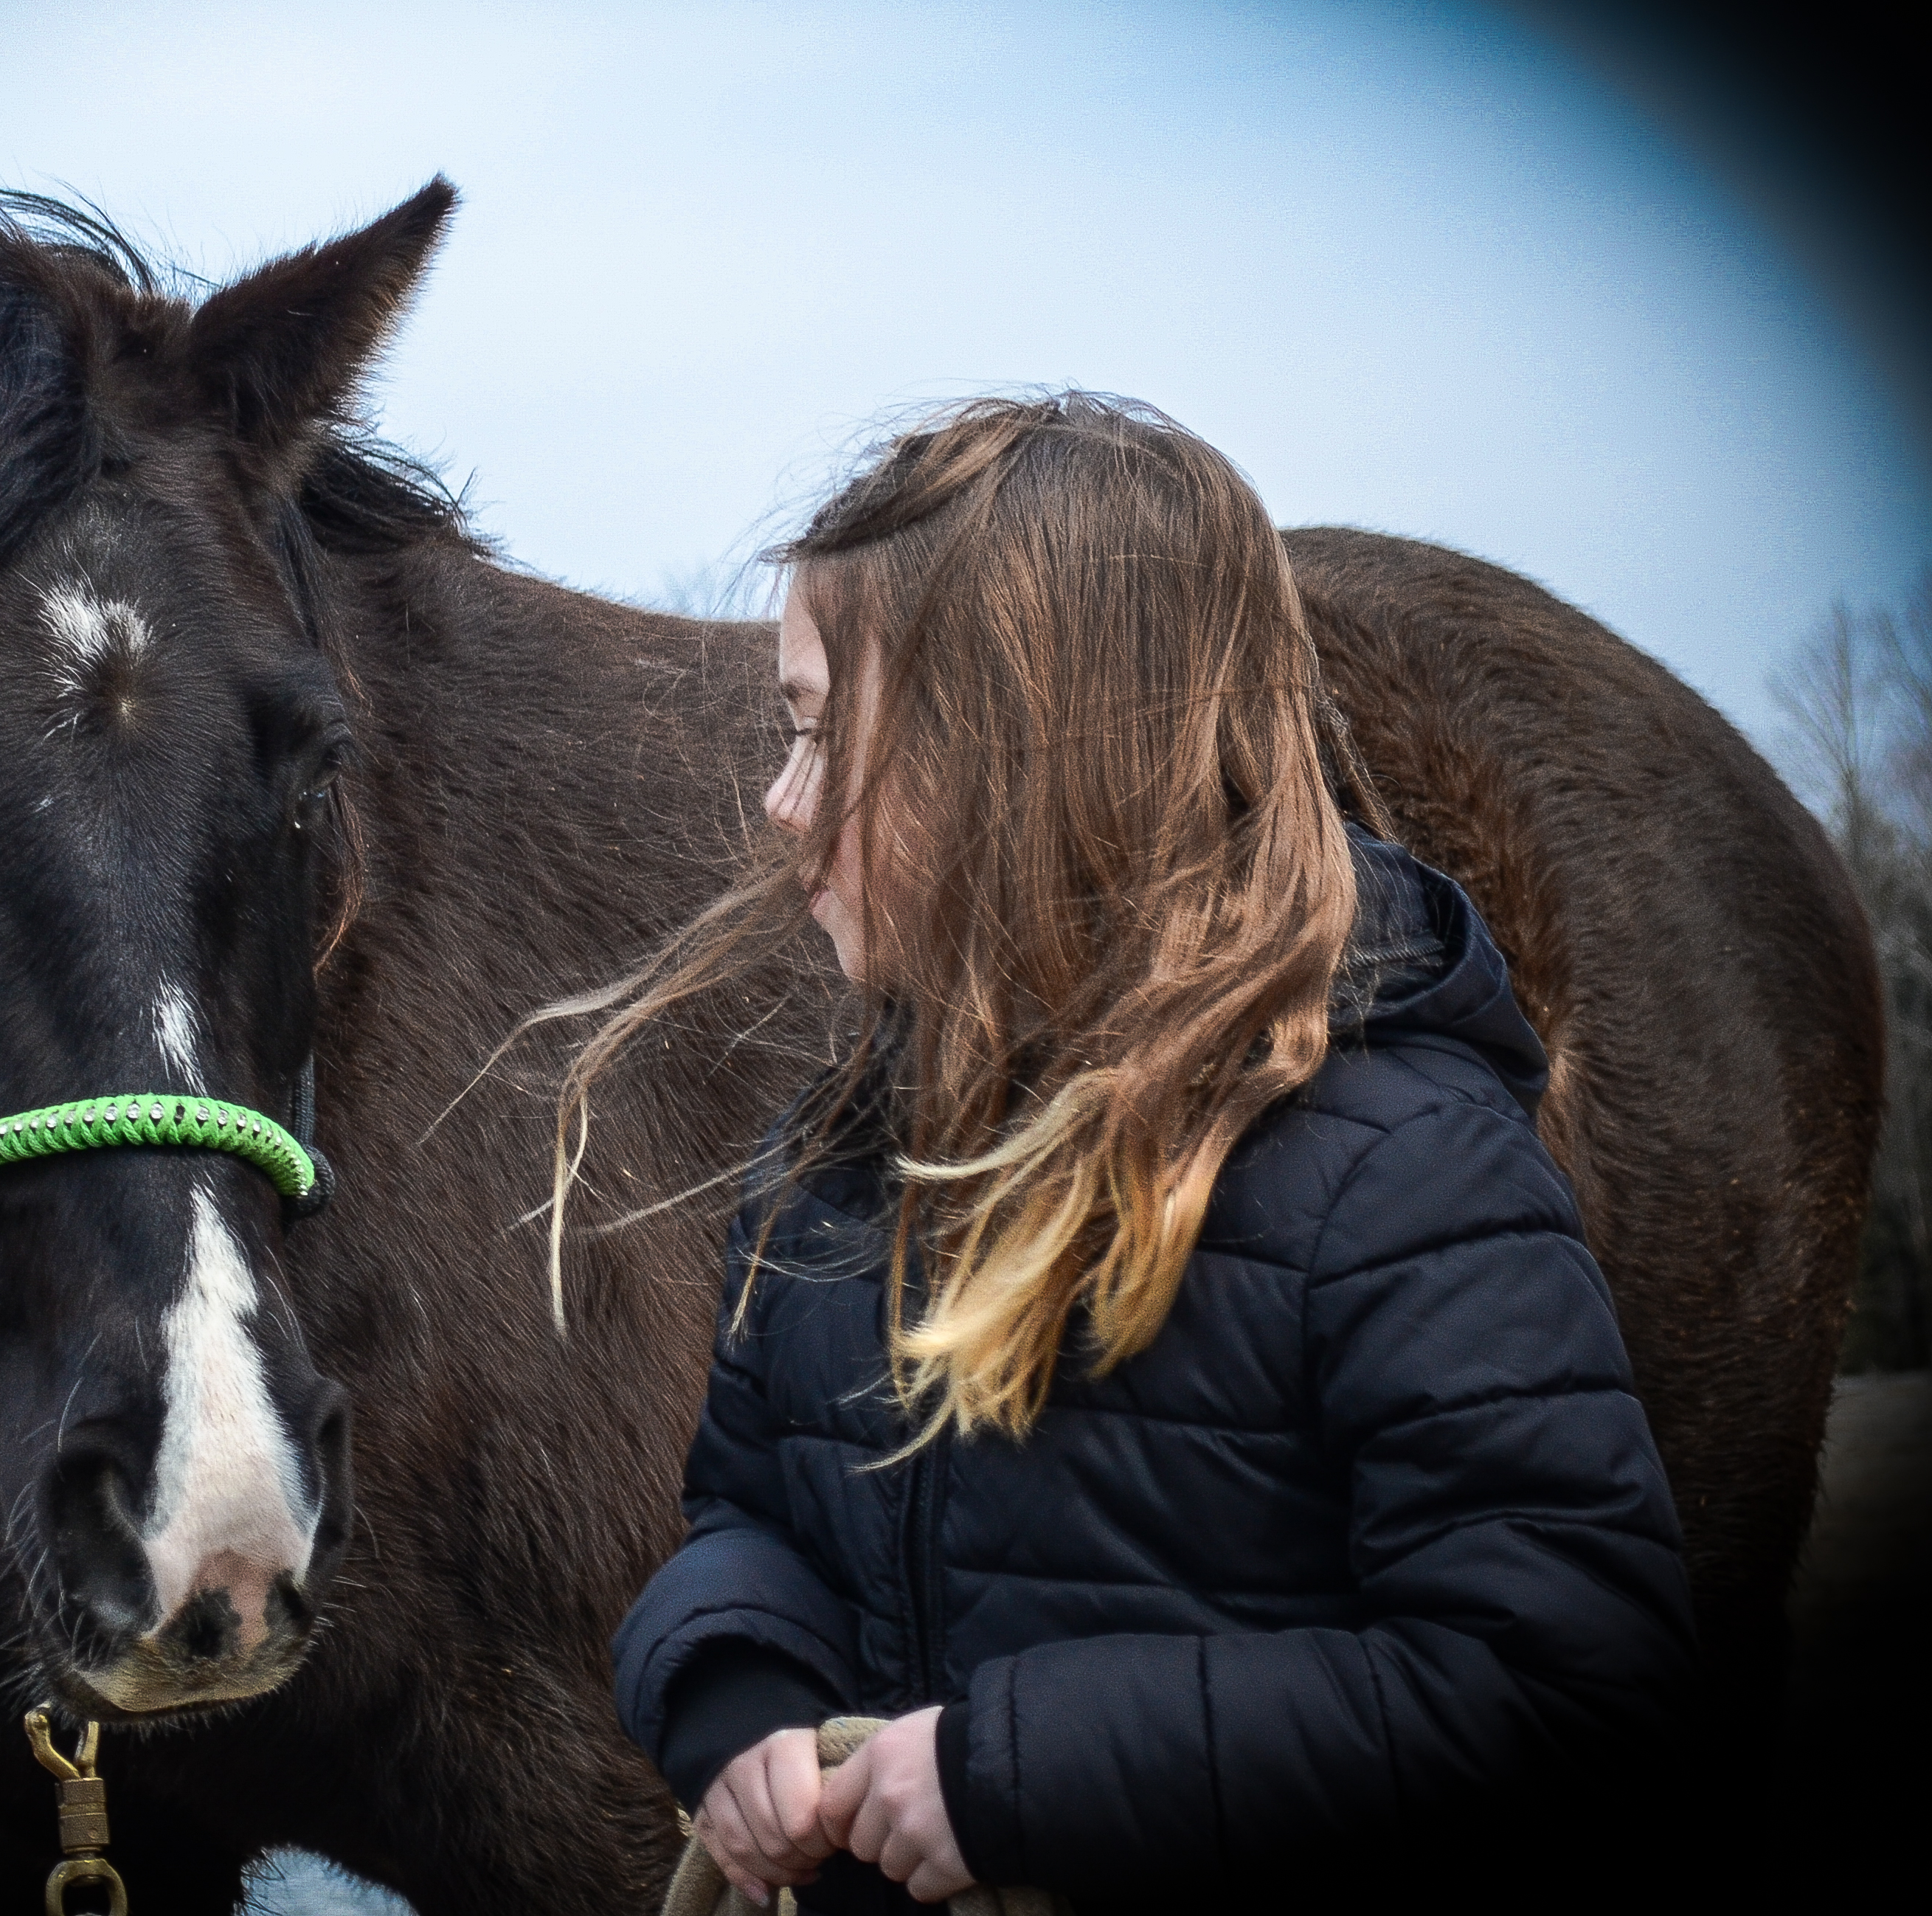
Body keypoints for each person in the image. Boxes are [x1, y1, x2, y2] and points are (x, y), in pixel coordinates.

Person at [572, 396, 1694, 1908]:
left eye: (827, 733)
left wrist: (1016, 1779)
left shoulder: (1404, 1173)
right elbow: (753, 1515)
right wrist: (737, 1692)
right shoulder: (833, 1171)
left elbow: (1567, 1688)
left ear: (1022, 758)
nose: (783, 804)